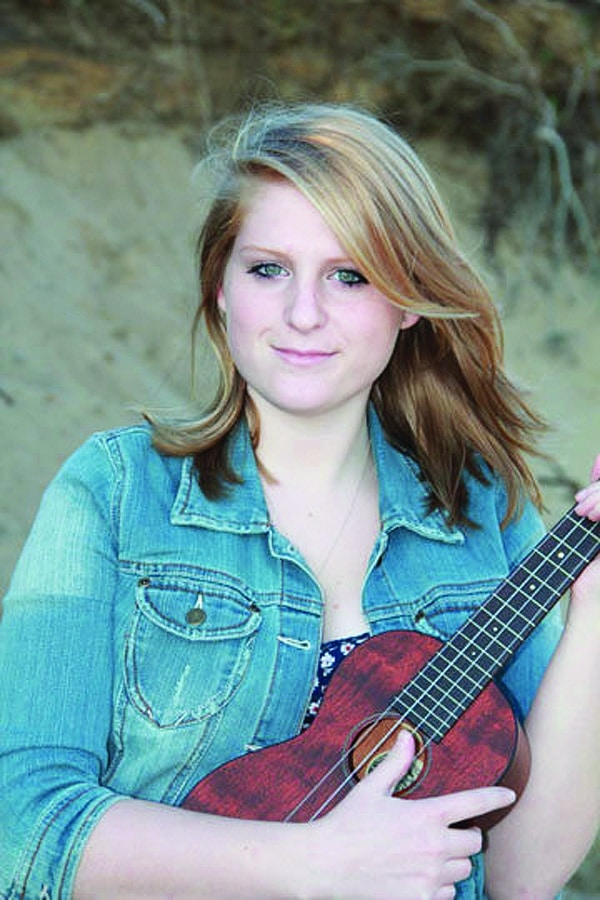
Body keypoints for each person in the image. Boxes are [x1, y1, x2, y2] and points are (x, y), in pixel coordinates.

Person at [0, 102, 598, 900]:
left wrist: (594, 609)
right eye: (268, 268)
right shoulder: (114, 491)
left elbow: (521, 878)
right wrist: (316, 865)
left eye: (349, 275)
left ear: (410, 298)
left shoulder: (480, 508)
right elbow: (21, 825)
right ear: (220, 286)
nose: (304, 313)